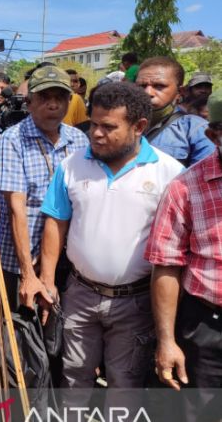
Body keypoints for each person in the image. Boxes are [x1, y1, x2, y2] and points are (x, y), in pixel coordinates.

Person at [39, 82, 183, 406]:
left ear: (139, 127)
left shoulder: (169, 174)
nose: (96, 134)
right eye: (93, 124)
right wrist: (47, 281)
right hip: (79, 294)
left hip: (135, 302)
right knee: (74, 374)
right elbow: (55, 222)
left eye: (108, 127)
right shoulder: (71, 166)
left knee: (125, 380)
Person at [146, 90, 222, 418]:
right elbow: (166, 266)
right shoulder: (186, 188)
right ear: (213, 135)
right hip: (207, 329)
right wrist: (166, 341)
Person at [0, 66, 89, 310]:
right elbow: (17, 209)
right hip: (23, 261)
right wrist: (28, 273)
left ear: (70, 100)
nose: (53, 105)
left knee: (59, 337)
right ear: (29, 102)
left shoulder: (79, 140)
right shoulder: (13, 139)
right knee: (23, 336)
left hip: (68, 263)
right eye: (44, 98)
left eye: (60, 98)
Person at [136, 56, 214, 166]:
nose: (148, 92)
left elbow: (205, 177)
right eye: (142, 86)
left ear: (180, 91)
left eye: (159, 86)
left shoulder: (196, 129)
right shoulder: (121, 124)